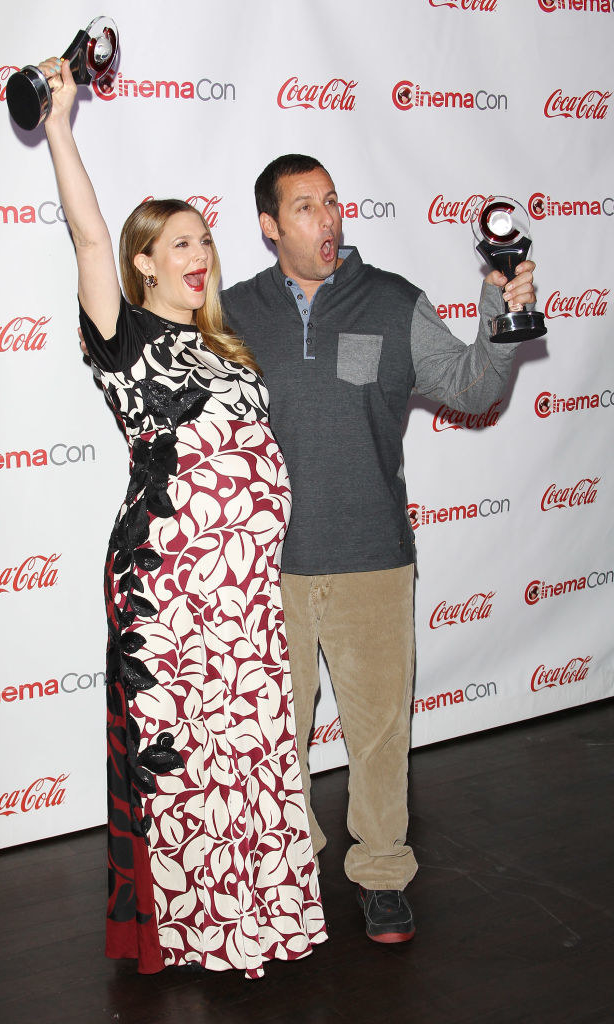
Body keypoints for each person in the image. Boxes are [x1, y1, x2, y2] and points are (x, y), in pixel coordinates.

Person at [39, 64, 326, 977]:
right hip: (169, 591)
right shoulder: (124, 338)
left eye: (205, 239)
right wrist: (59, 126)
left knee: (254, 753)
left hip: (242, 595)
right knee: (193, 767)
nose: (200, 255)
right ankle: (207, 939)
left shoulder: (225, 347)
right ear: (144, 264)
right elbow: (88, 234)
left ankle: (265, 924)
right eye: (179, 244)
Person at [220, 154, 537, 945]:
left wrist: (498, 318)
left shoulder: (393, 302)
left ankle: (384, 872)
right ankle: (293, 858)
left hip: (372, 558)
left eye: (332, 202)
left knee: (380, 735)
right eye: (304, 207)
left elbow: (471, 387)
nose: (327, 219)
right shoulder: (228, 314)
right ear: (269, 226)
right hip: (268, 570)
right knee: (269, 736)